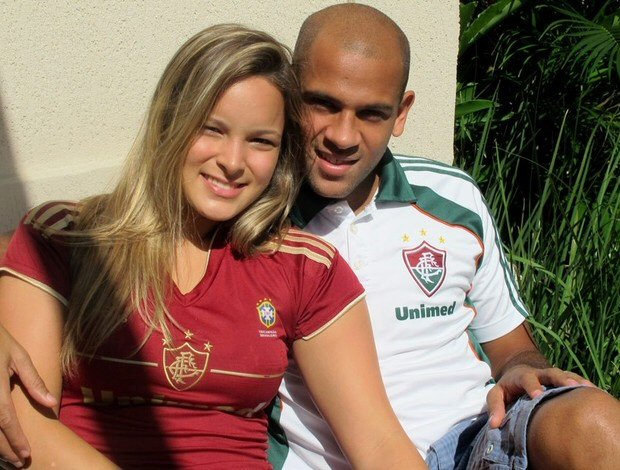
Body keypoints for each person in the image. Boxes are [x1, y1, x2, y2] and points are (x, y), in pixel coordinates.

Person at [2, 4, 620, 470]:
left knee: (598, 424)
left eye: (259, 141)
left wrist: (524, 371)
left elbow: (495, 360)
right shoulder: (85, 238)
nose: (343, 136)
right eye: (323, 104)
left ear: (402, 113)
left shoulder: (360, 239)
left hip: (476, 436)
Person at [0, 23, 424, 469]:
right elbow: (23, 430)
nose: (233, 162)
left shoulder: (305, 267)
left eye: (260, 141)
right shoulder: (66, 238)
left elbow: (379, 445)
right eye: (212, 129)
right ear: (169, 122)